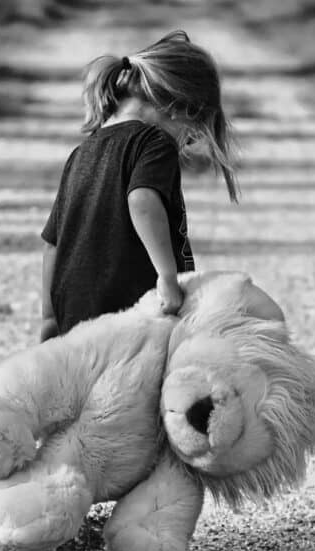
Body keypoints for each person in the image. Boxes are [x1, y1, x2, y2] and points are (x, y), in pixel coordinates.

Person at [39, 30, 239, 341]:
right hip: (131, 308)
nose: (187, 142)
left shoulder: (81, 152)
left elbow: (53, 243)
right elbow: (142, 201)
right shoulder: (154, 141)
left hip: (74, 313)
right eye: (192, 134)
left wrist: (49, 316)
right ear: (179, 107)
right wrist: (167, 276)